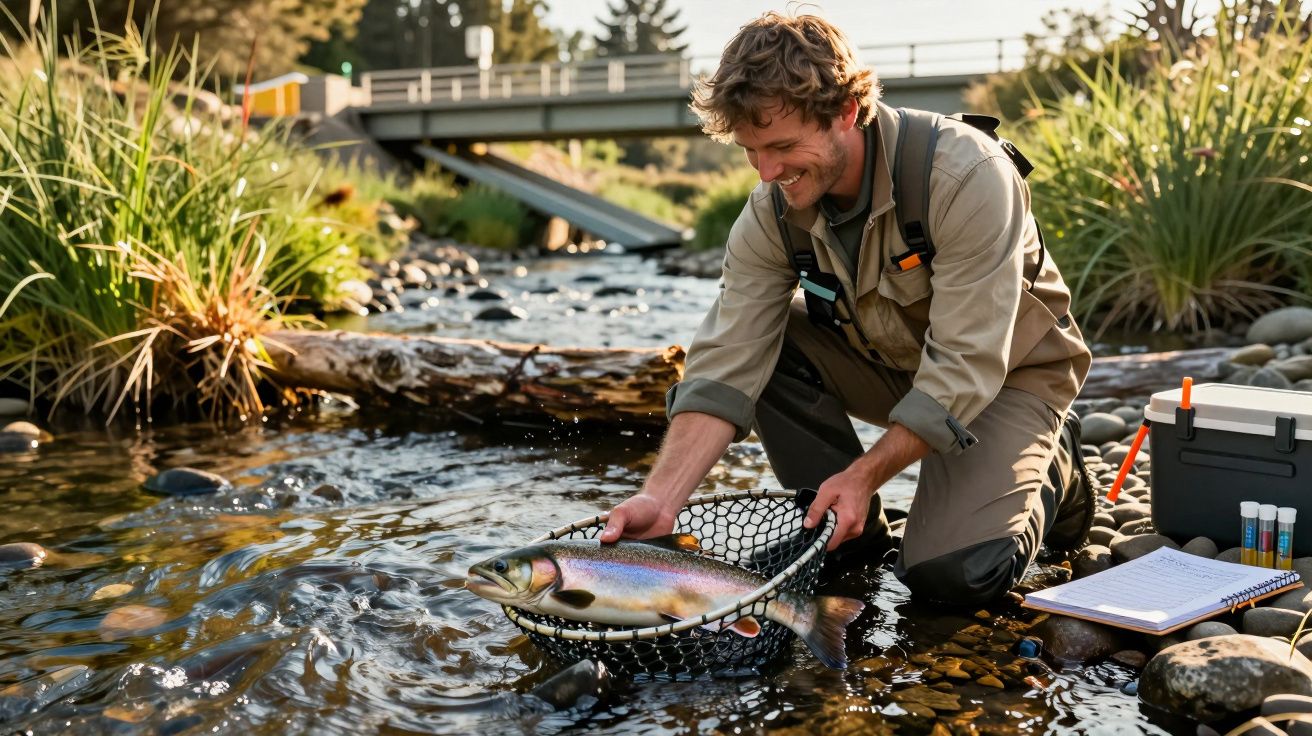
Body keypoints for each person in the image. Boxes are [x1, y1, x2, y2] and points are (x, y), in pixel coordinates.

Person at [600, 12, 1095, 605]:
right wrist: (662, 498)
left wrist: (866, 473)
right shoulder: (770, 214)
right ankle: (843, 531)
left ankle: (1056, 460)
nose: (766, 172)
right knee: (770, 341)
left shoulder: (967, 176)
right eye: (750, 151)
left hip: (1008, 379)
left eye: (783, 146)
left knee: (952, 577)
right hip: (897, 368)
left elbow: (966, 366)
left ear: (847, 112)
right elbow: (725, 362)